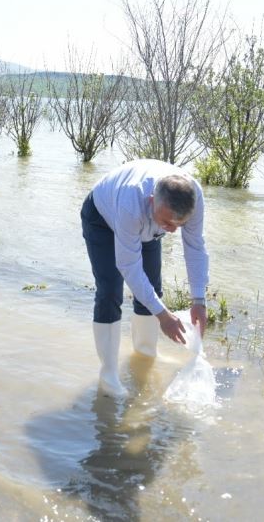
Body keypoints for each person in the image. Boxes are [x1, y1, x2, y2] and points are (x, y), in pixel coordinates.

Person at [81, 159, 209, 397]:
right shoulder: (132, 203)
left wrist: (199, 300)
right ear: (152, 202)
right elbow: (128, 266)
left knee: (152, 288)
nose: (171, 230)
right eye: (167, 222)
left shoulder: (194, 198)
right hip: (103, 218)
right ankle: (108, 375)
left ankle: (145, 354)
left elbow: (195, 248)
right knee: (110, 290)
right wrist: (163, 315)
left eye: (178, 225)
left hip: (145, 223)